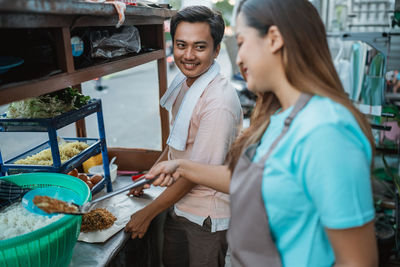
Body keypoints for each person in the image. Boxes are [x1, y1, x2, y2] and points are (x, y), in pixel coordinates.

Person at [144, 0, 379, 266]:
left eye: (242, 43)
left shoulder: (327, 132)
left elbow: (358, 261)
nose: (239, 57)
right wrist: (180, 165)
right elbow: (252, 179)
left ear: (275, 39)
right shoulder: (279, 117)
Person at [124, 5, 242, 267]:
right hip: (179, 205)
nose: (188, 55)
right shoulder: (184, 82)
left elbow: (197, 173)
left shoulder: (218, 102)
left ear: (216, 50)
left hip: (206, 216)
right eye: (181, 45)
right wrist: (150, 176)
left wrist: (148, 213)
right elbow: (177, 142)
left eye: (200, 47)